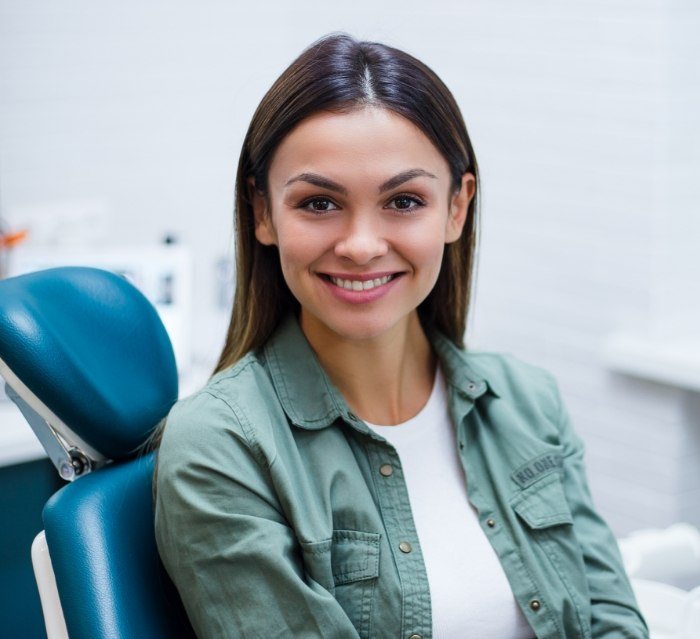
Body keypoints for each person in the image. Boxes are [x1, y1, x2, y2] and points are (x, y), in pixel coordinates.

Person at [149, 32, 649, 638]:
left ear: (456, 208)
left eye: (405, 200)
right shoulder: (219, 446)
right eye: (318, 203)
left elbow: (613, 622)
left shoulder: (527, 400)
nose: (361, 245)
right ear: (262, 213)